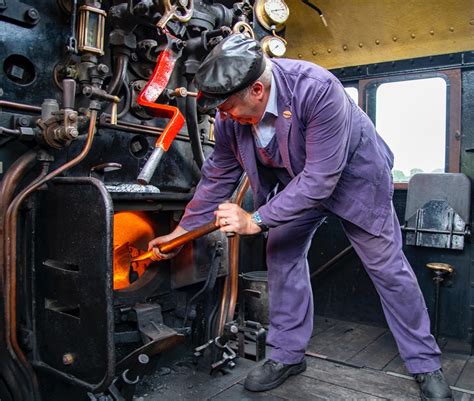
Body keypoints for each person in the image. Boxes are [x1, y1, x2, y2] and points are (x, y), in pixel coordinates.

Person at [148, 34, 452, 400]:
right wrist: (181, 230)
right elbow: (217, 176)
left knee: (388, 269)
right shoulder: (230, 117)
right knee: (282, 256)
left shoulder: (318, 89)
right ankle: (288, 356)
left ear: (257, 90)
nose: (223, 117)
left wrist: (255, 219)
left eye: (227, 109)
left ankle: (425, 363)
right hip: (297, 187)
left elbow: (322, 178)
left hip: (354, 183)